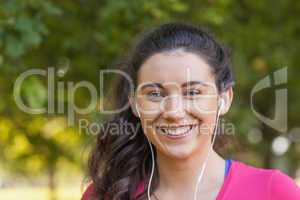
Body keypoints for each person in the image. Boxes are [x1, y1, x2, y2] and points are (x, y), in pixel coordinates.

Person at [81, 22, 300, 200]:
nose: (174, 112)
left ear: (224, 99)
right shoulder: (104, 195)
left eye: (193, 92)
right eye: (155, 94)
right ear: (135, 103)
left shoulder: (273, 192)